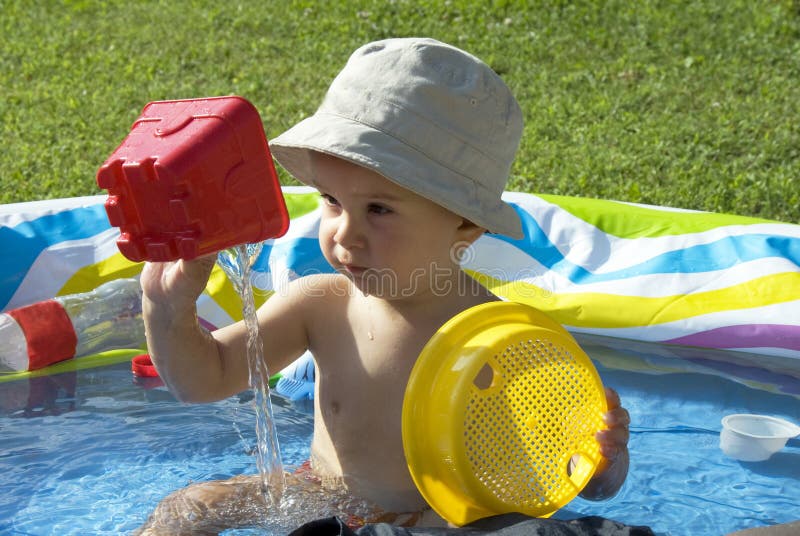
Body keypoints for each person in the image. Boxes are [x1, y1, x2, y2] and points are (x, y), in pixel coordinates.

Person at [136, 37, 630, 534]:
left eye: (379, 209)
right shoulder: (319, 306)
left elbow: (564, 477)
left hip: (438, 523)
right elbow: (204, 379)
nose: (345, 233)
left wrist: (603, 466)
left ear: (465, 225)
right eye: (332, 200)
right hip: (321, 495)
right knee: (185, 509)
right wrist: (165, 307)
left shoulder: (505, 344)